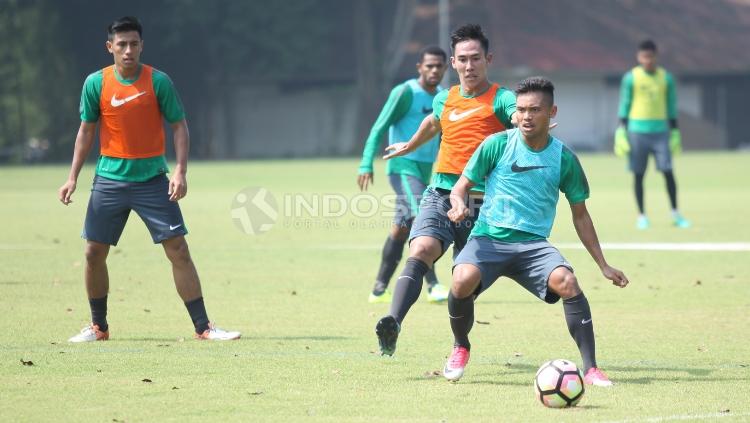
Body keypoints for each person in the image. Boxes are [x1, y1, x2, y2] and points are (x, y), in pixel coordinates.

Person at [58, 16, 240, 342]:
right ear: (110, 47)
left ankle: (204, 328)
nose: (128, 50)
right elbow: (86, 131)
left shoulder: (159, 82)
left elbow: (179, 126)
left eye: (134, 44)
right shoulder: (95, 84)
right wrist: (72, 178)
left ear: (142, 46)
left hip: (153, 181)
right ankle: (98, 327)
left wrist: (181, 171)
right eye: (122, 44)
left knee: (179, 250)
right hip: (109, 181)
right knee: (92, 254)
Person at [443, 76, 629, 386]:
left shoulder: (564, 159)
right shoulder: (497, 144)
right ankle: (461, 346)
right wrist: (458, 203)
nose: (526, 117)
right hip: (488, 238)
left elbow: (581, 216)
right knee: (461, 280)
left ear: (552, 112)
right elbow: (459, 187)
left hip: (533, 246)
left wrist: (603, 265)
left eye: (535, 110)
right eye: (521, 110)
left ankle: (592, 367)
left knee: (567, 281)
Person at [374, 24, 517, 356]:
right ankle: (393, 322)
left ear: (488, 59)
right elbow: (433, 123)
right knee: (422, 248)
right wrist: (409, 146)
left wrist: (529, 124)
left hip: (484, 201)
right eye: (463, 59)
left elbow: (516, 116)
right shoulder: (445, 98)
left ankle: (460, 345)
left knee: (463, 284)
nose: (469, 66)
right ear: (453, 62)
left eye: (476, 59)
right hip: (440, 192)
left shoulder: (502, 98)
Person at [357, 46, 450, 305]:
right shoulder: (405, 93)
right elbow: (379, 126)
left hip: (426, 170)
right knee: (424, 217)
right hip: (402, 167)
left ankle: (378, 289)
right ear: (419, 67)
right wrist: (366, 163)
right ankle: (433, 285)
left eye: (439, 66)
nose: (434, 70)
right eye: (429, 65)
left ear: (445, 68)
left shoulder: (443, 97)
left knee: (401, 229)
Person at [615, 39, 690, 230]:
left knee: (668, 172)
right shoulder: (631, 78)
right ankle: (642, 216)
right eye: (644, 57)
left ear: (656, 56)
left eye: (651, 57)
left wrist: (674, 131)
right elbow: (625, 103)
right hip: (636, 132)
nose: (647, 60)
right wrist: (621, 130)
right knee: (639, 174)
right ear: (639, 57)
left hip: (661, 132)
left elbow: (672, 105)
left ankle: (676, 213)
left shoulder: (666, 78)